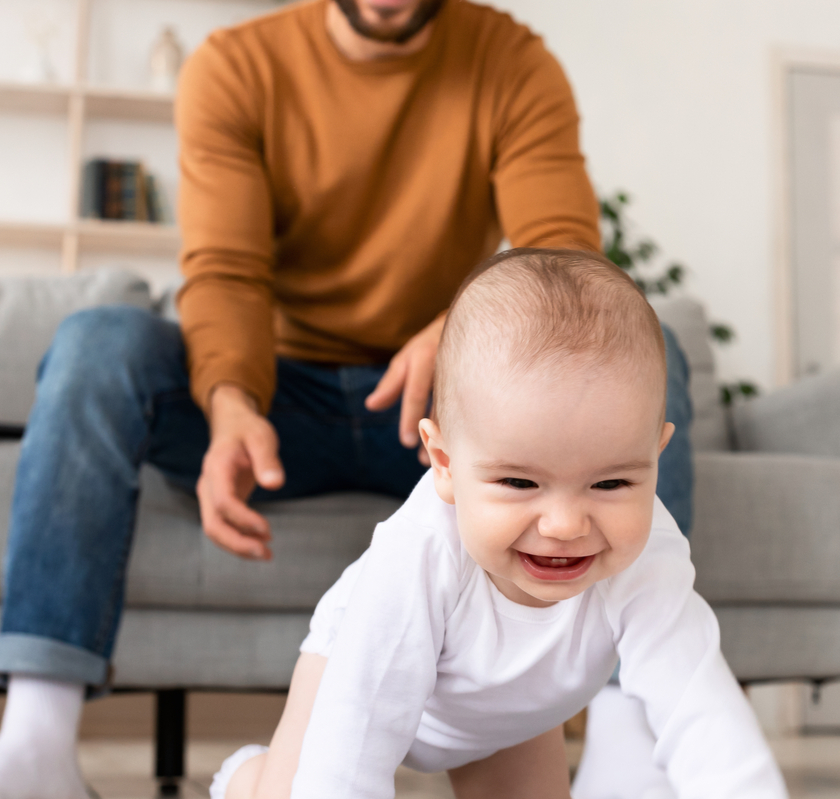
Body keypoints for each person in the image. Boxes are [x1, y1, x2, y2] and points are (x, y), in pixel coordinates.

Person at [0, 0, 697, 798]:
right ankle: (32, 747)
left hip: (442, 411)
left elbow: (564, 249)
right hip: (284, 404)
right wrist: (233, 400)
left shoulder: (514, 64)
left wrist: (453, 337)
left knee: (647, 346)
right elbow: (227, 269)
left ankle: (630, 739)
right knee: (96, 342)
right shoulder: (237, 68)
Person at [212, 249, 783, 799]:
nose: (564, 524)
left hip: (514, 711)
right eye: (519, 483)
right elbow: (354, 742)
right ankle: (246, 779)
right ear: (445, 464)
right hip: (363, 675)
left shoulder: (648, 554)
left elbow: (700, 707)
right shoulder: (417, 556)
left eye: (611, 484)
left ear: (655, 458)